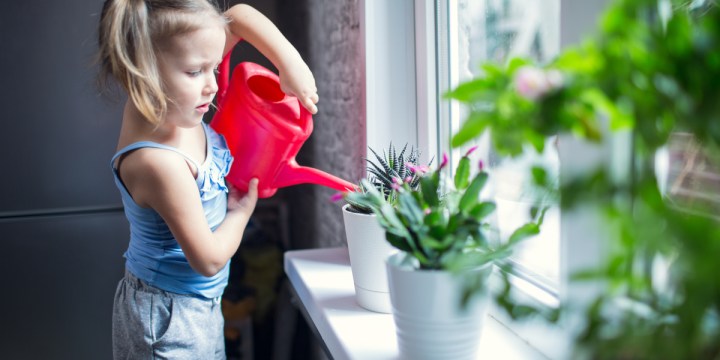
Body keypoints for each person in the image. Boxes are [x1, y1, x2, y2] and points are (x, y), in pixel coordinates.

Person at [97, 1, 318, 358]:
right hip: (169, 319)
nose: (212, 86)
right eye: (196, 71)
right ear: (142, 71)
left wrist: (291, 66)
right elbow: (210, 259)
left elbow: (240, 16)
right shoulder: (159, 163)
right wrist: (243, 211)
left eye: (213, 67)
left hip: (199, 305)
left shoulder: (172, 101)